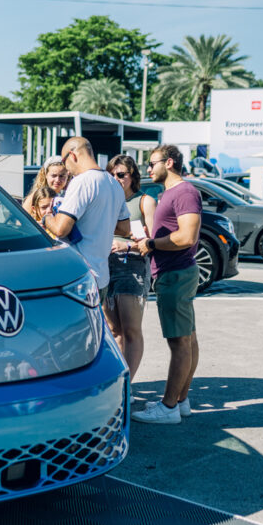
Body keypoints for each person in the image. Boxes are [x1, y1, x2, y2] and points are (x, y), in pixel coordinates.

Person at [131, 145, 202, 425]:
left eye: (152, 163)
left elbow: (187, 237)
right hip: (174, 273)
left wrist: (150, 244)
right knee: (188, 339)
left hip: (176, 274)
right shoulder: (169, 194)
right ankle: (181, 401)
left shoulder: (184, 192)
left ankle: (169, 406)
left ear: (169, 162)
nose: (148, 169)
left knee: (179, 342)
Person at [41, 138, 130, 299]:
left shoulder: (81, 182)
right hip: (102, 277)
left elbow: (61, 229)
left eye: (64, 161)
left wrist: (47, 217)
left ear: (72, 155)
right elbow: (125, 229)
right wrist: (98, 223)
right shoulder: (114, 183)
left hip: (79, 277)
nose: (66, 169)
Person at [104, 155, 157, 380]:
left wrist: (125, 245)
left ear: (133, 176)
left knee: (131, 330)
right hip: (105, 266)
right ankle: (119, 380)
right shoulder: (106, 201)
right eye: (112, 174)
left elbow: (153, 242)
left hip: (132, 267)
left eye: (121, 175)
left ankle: (127, 384)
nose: (116, 179)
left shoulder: (144, 201)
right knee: (113, 330)